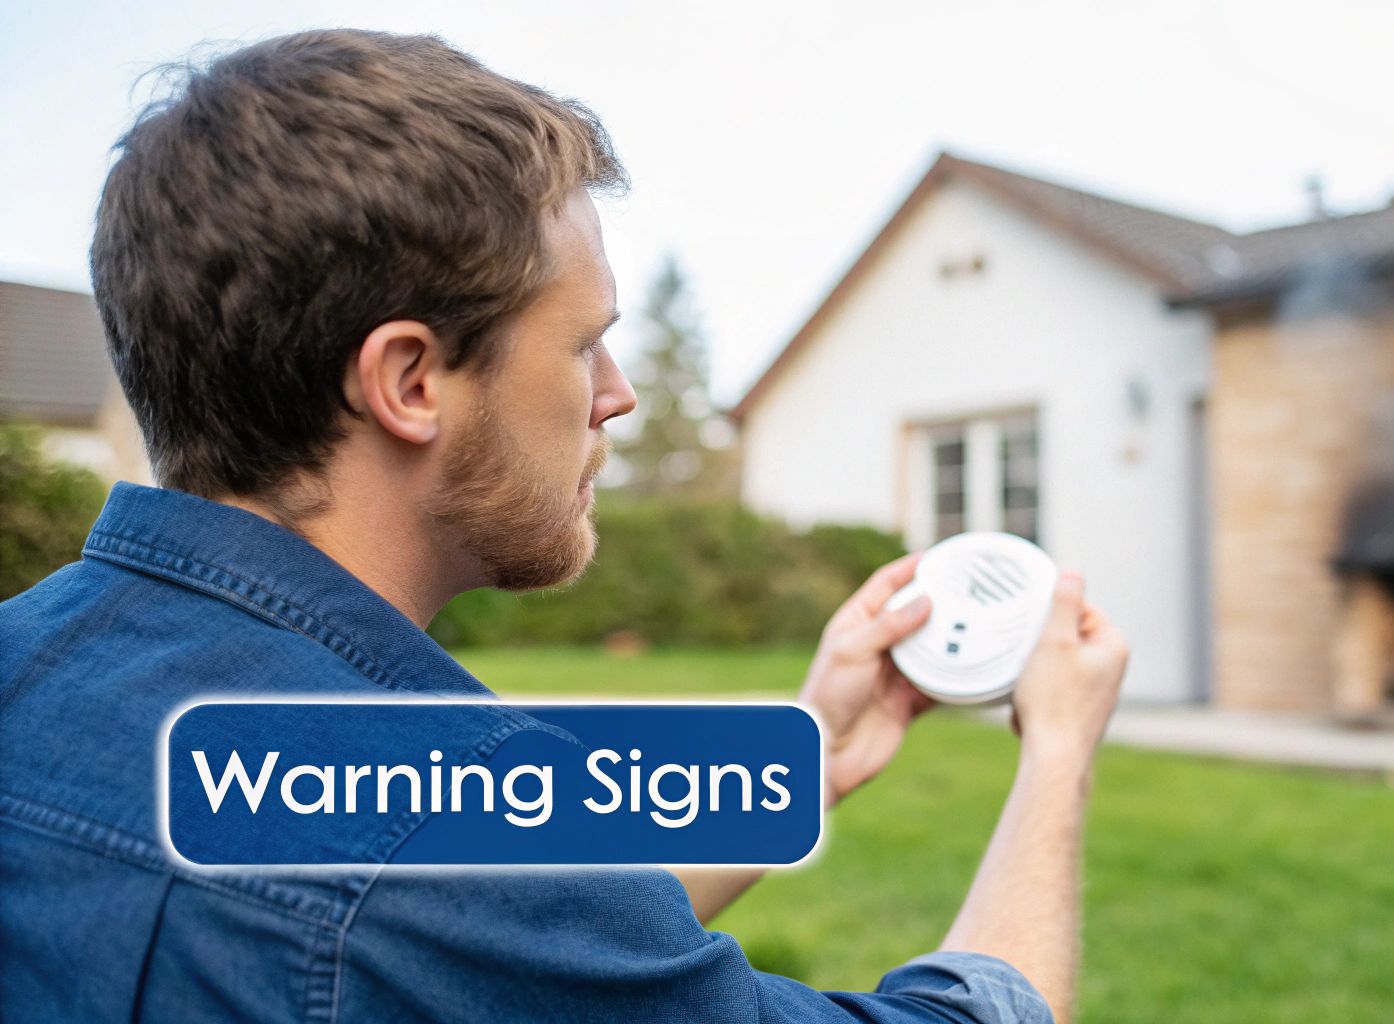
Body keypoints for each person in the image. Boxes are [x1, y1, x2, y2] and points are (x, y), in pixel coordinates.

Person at [0, 29, 1129, 1024]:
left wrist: (809, 754)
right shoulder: (431, 850)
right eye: (582, 340)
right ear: (409, 381)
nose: (618, 391)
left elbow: (501, 965)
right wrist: (1058, 755)